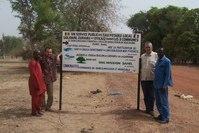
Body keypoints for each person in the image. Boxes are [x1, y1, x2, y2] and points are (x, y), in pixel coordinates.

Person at [154, 47, 173, 124]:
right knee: (158, 102)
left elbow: (168, 74)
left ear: (164, 53)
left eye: (161, 52)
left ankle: (166, 118)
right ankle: (161, 115)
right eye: (159, 52)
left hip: (162, 86)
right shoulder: (158, 60)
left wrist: (165, 85)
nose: (159, 53)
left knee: (164, 102)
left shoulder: (167, 61)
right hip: (156, 84)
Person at [140, 41, 158, 116]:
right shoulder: (142, 56)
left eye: (149, 47)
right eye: (146, 47)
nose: (147, 48)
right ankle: (147, 109)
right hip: (144, 79)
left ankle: (151, 110)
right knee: (146, 95)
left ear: (152, 47)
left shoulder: (156, 55)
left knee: (152, 96)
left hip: (152, 79)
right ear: (144, 48)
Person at [28, 51, 46, 116]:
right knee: (35, 98)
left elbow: (39, 73)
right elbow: (33, 75)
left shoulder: (37, 62)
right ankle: (34, 112)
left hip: (40, 82)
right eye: (38, 54)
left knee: (40, 98)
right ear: (34, 55)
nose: (39, 56)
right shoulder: (32, 62)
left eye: (40, 54)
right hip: (35, 83)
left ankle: (38, 110)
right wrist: (37, 84)